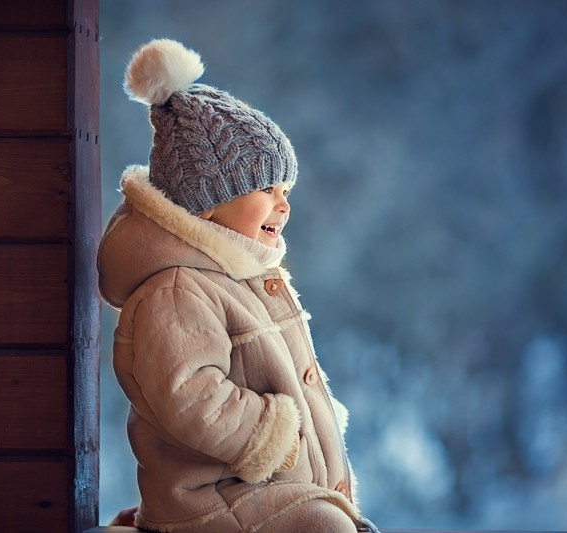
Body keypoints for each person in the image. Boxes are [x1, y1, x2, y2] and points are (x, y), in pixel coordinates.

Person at [98, 39, 378, 533]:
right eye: (266, 188)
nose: (284, 205)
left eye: (286, 191)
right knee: (321, 528)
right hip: (211, 499)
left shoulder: (235, 278)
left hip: (261, 490)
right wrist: (273, 431)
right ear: (208, 200)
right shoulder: (177, 290)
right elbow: (188, 393)